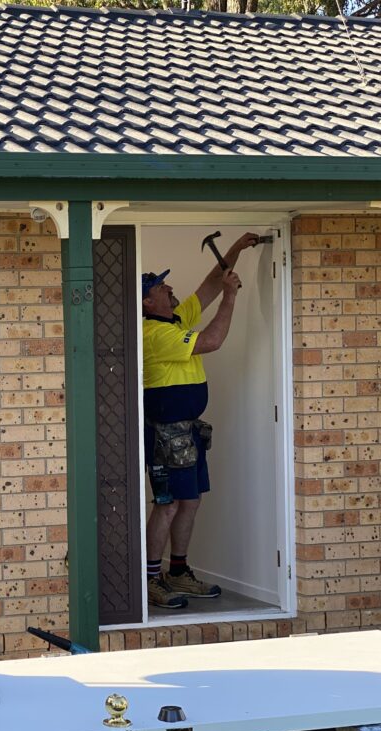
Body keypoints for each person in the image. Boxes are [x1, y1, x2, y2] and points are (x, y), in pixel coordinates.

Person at [141, 232, 260, 610]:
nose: (169, 287)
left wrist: (236, 250)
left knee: (189, 502)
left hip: (189, 431)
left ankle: (178, 571)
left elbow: (207, 287)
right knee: (168, 504)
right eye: (161, 286)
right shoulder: (154, 333)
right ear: (147, 300)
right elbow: (211, 340)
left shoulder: (175, 319)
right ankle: (150, 579)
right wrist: (232, 296)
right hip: (166, 433)